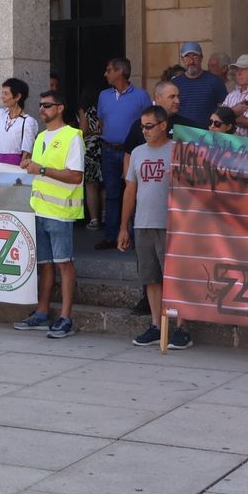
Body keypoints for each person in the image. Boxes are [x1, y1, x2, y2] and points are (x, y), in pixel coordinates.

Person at [12, 88, 84, 338]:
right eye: (41, 105)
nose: (42, 109)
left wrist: (41, 169)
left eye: (47, 105)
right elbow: (39, 170)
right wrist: (29, 166)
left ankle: (65, 318)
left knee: (64, 263)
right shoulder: (41, 136)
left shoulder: (72, 136)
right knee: (45, 265)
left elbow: (75, 176)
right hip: (39, 210)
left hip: (61, 211)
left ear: (60, 108)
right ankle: (42, 313)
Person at [117, 106, 188, 350]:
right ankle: (156, 325)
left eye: (149, 126)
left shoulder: (178, 151)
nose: (144, 131)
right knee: (151, 278)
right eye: (142, 127)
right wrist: (123, 226)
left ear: (163, 125)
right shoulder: (137, 152)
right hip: (143, 223)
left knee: (175, 278)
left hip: (172, 225)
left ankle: (181, 327)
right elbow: (130, 190)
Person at [98, 59, 152, 241]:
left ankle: (137, 238)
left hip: (134, 152)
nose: (105, 74)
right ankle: (111, 237)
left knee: (136, 192)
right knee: (111, 193)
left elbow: (149, 122)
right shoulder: (103, 95)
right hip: (109, 149)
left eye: (109, 70)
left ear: (120, 71)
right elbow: (101, 121)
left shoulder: (141, 95)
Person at [0, 76, 38, 166]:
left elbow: (27, 153)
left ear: (18, 97)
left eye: (6, 93)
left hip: (15, 165)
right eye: (2, 93)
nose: (2, 97)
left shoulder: (28, 121)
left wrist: (21, 170)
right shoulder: (1, 115)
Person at [170, 43, 223, 126]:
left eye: (195, 56)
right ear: (182, 59)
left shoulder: (215, 81)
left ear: (201, 58)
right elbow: (169, 109)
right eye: (187, 56)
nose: (191, 61)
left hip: (207, 132)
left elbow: (223, 109)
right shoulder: (174, 83)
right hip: (182, 131)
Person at [81, 100, 103, 230]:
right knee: (104, 184)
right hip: (104, 144)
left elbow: (84, 129)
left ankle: (94, 219)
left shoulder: (85, 108)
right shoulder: (104, 105)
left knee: (91, 185)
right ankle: (105, 216)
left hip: (90, 146)